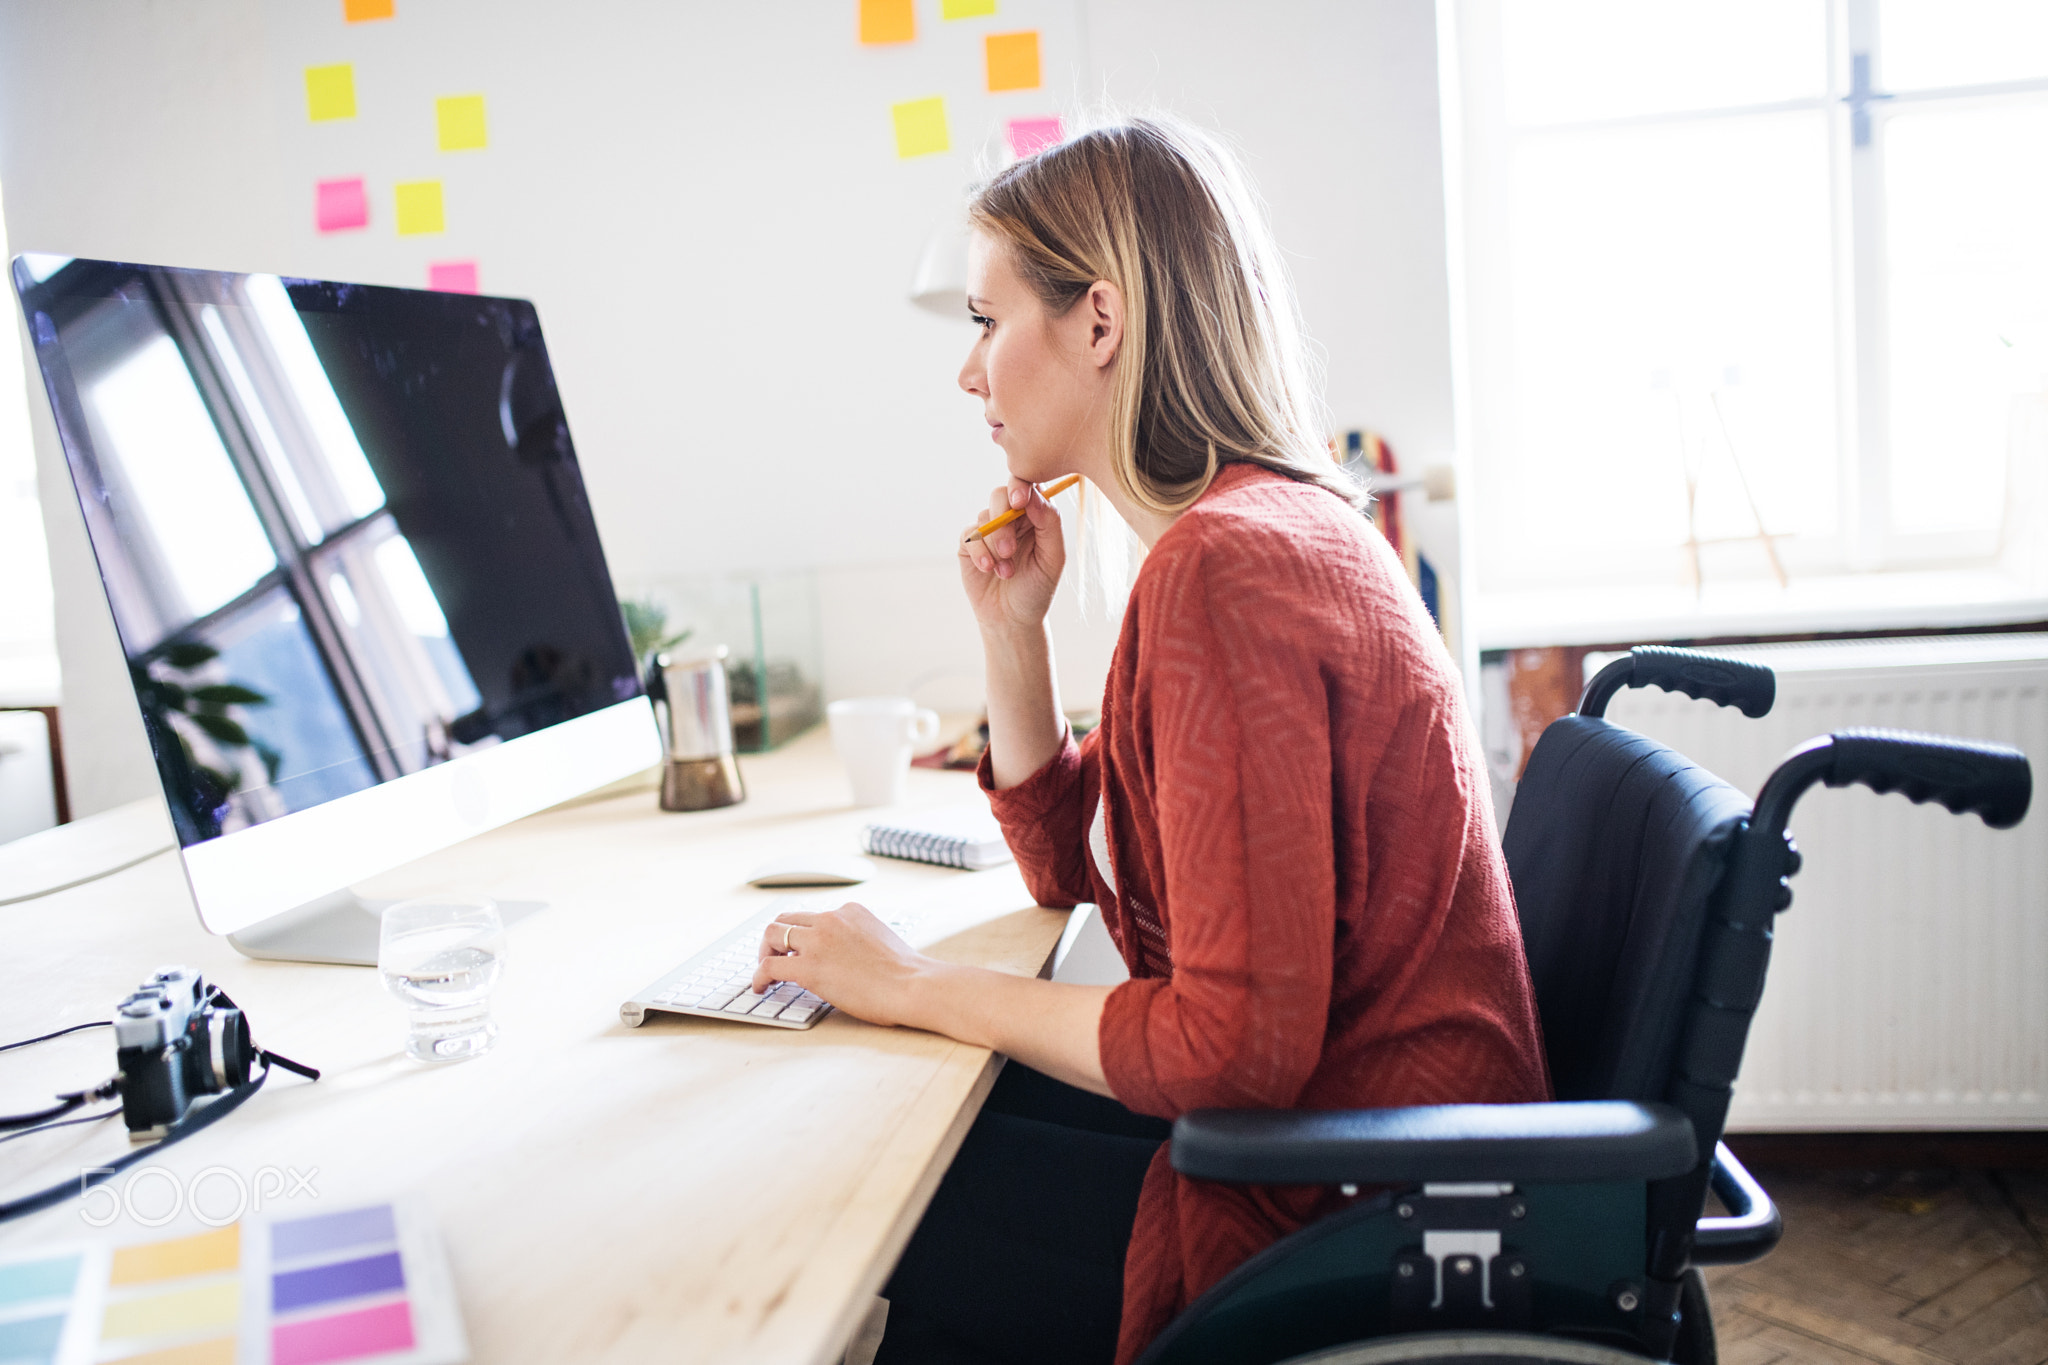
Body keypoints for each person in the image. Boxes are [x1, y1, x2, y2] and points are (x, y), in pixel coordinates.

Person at [751, 117, 1549, 1365]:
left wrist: (914, 986)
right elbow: (1089, 888)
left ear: (1099, 324)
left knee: (865, 1201)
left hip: (1342, 1213)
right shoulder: (1253, 532)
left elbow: (1227, 1051)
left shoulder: (1228, 572)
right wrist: (1015, 637)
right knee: (913, 1127)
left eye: (982, 320)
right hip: (1342, 1153)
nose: (967, 374)